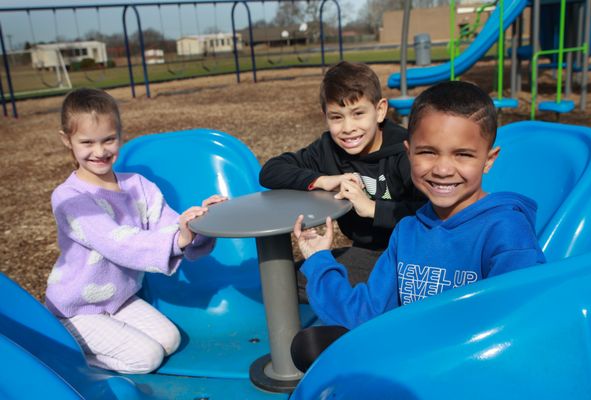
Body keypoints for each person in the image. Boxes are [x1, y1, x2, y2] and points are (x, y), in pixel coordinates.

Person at [290, 80, 546, 371]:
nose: (443, 169)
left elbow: (520, 327)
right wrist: (320, 259)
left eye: (463, 154)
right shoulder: (408, 231)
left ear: (488, 160)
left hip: (468, 374)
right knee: (307, 347)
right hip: (408, 364)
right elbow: (365, 312)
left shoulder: (505, 230)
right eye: (428, 152)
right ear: (408, 153)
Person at [45, 88, 227, 374]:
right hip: (75, 310)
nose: (100, 151)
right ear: (66, 140)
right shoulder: (70, 198)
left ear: (120, 133)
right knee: (147, 358)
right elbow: (118, 243)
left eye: (109, 139)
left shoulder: (137, 185)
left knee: (170, 340)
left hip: (118, 301)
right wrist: (179, 238)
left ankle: (104, 335)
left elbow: (169, 225)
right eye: (87, 142)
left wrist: (199, 224)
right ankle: (69, 351)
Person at [259, 61, 425, 299]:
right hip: (367, 255)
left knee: (319, 285)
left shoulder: (406, 151)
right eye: (336, 117)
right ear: (325, 116)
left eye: (358, 114)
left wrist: (372, 208)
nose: (348, 128)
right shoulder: (328, 149)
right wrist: (322, 180)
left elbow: (430, 213)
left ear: (380, 111)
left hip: (411, 256)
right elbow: (271, 171)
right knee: (285, 281)